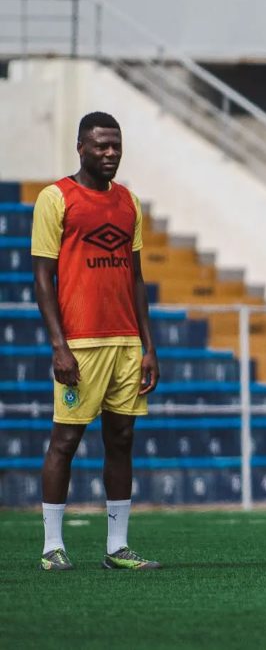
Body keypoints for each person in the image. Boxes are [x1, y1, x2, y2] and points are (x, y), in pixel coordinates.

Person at [31, 111, 161, 571]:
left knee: (122, 439)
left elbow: (138, 278)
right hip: (80, 344)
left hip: (126, 341)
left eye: (116, 145)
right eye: (101, 145)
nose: (110, 153)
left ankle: (117, 548)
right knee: (65, 440)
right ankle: (51, 547)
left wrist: (149, 346)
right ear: (81, 148)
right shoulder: (56, 198)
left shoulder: (129, 202)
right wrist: (58, 345)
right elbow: (43, 278)